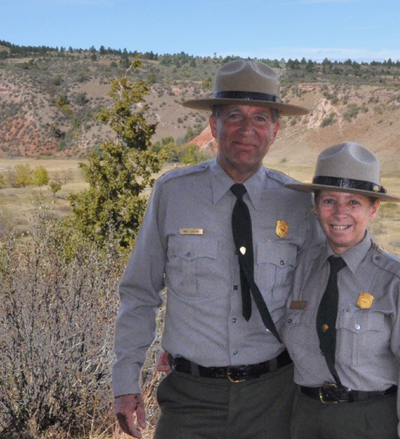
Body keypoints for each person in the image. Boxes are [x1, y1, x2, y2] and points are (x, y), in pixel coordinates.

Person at [112, 59, 321, 439]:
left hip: (273, 398)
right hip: (191, 399)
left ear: (275, 130)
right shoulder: (173, 194)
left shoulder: (296, 203)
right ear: (213, 125)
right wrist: (126, 382)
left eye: (260, 118)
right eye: (234, 115)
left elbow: (322, 295)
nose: (247, 129)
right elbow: (139, 292)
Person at [283, 142, 400, 439]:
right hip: (305, 420)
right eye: (329, 200)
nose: (340, 213)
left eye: (354, 202)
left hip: (370, 422)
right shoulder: (300, 269)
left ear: (373, 208)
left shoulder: (398, 281)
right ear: (315, 207)